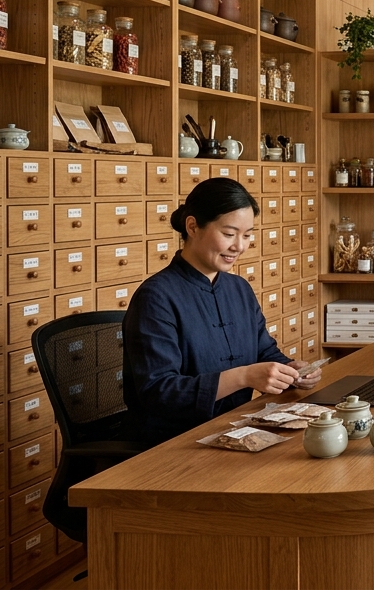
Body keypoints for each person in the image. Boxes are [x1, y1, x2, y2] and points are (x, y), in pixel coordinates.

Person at [123, 178, 323, 445]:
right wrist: (244, 376)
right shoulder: (156, 297)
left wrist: (291, 371)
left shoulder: (238, 288)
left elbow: (264, 351)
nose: (239, 246)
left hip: (234, 427)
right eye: (229, 234)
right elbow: (160, 391)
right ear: (192, 226)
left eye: (247, 235)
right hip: (174, 442)